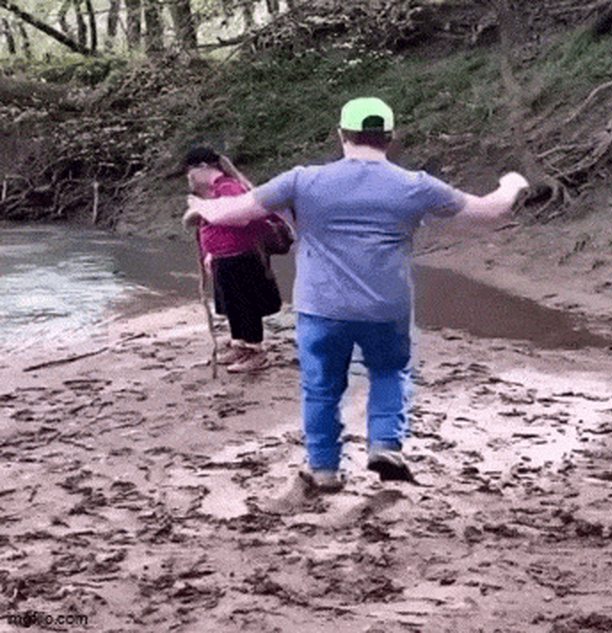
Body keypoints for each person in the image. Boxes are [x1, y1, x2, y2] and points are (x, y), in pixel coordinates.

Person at [183, 98, 529, 489]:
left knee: (321, 388)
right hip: (386, 307)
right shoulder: (414, 185)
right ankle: (385, 444)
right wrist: (512, 184)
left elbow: (233, 212)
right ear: (390, 137)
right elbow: (488, 211)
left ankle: (324, 468)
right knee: (389, 374)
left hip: (321, 307)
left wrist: (200, 208)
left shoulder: (303, 180)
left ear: (341, 135)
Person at [185, 145, 282, 373]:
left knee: (245, 304)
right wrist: (211, 253)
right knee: (232, 304)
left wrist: (201, 209)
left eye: (190, 171)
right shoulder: (216, 191)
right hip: (224, 256)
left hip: (241, 255)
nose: (189, 177)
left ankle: (255, 351)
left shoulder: (229, 187)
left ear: (202, 167)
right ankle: (239, 344)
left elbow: (240, 218)